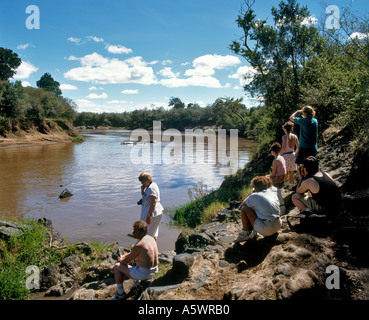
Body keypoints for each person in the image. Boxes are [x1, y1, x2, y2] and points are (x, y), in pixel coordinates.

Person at [111, 221, 159, 300]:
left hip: (144, 274)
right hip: (154, 270)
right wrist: (125, 256)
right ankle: (136, 283)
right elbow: (133, 253)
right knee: (136, 260)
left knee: (117, 267)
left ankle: (120, 294)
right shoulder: (151, 238)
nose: (132, 232)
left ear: (140, 232)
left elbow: (126, 261)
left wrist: (120, 259)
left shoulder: (139, 245)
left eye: (134, 230)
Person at [235, 176, 285, 242]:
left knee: (245, 209)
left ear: (255, 187)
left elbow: (244, 204)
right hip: (278, 225)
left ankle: (245, 233)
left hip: (267, 230)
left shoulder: (255, 195)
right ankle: (253, 231)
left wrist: (252, 193)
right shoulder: (272, 191)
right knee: (257, 208)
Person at [138, 172, 163, 241]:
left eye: (142, 181)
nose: (141, 183)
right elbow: (145, 197)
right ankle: (153, 250)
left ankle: (149, 250)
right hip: (155, 213)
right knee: (153, 233)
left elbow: (153, 203)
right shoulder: (150, 186)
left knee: (148, 235)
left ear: (146, 180)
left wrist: (149, 216)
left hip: (153, 214)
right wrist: (142, 190)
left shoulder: (151, 188)